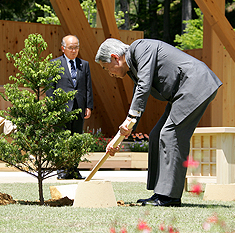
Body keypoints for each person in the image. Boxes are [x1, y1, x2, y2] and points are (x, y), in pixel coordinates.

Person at [95, 38, 222, 207]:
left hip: (195, 83)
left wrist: (129, 120)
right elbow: (138, 96)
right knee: (156, 135)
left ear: (115, 58)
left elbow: (144, 85)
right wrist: (121, 136)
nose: (109, 73)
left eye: (106, 67)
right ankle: (160, 192)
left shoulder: (140, 48)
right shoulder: (133, 66)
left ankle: (170, 197)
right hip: (182, 92)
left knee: (170, 134)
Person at [46, 35, 94, 179]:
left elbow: (88, 87)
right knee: (61, 140)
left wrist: (89, 106)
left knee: (76, 139)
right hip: (61, 109)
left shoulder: (83, 65)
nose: (74, 50)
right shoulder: (54, 64)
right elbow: (50, 88)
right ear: (63, 48)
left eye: (76, 47)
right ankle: (62, 169)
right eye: (71, 47)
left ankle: (73, 169)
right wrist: (52, 109)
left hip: (79, 108)